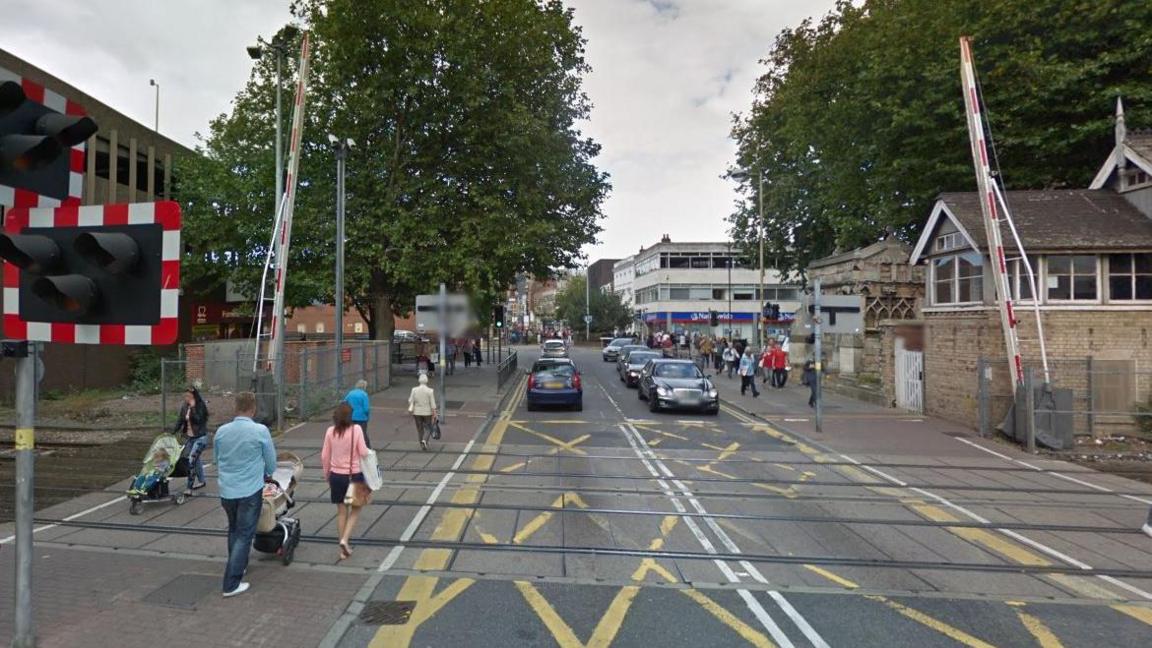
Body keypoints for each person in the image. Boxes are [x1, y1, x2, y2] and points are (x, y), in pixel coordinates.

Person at [213, 391, 276, 598]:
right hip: (249, 490)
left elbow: (216, 458)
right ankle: (231, 583)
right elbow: (271, 462)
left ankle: (238, 565)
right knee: (244, 534)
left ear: (235, 407)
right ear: (253, 408)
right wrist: (267, 473)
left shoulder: (221, 431)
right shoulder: (260, 430)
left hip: (227, 491)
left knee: (234, 530)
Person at [321, 402, 372, 561]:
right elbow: (363, 452)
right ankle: (345, 539)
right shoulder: (356, 430)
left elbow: (324, 456)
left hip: (336, 476)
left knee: (341, 512)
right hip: (354, 476)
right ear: (350, 416)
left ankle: (342, 550)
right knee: (356, 510)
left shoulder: (330, 431)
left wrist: (327, 475)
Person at [174, 386, 209, 492]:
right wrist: (174, 431)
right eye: (186, 396)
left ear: (194, 396)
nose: (187, 398)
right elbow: (181, 419)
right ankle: (202, 480)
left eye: (189, 396)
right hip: (190, 437)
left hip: (200, 438)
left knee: (191, 460)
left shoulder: (200, 405)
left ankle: (189, 487)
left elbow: (199, 420)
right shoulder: (184, 406)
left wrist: (193, 408)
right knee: (195, 459)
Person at [408, 372, 439, 451]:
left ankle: (422, 445)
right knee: (428, 427)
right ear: (426, 381)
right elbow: (432, 404)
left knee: (420, 429)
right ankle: (425, 440)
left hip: (417, 412)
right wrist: (435, 413)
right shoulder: (430, 391)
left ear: (419, 380)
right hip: (427, 413)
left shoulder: (414, 390)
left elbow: (410, 400)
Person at [343, 379, 372, 448]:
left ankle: (350, 447)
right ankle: (367, 448)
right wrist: (367, 416)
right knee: (362, 433)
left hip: (351, 417)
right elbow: (366, 408)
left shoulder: (351, 393)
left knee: (351, 433)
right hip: (361, 418)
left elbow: (344, 402)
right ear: (364, 386)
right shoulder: (364, 394)